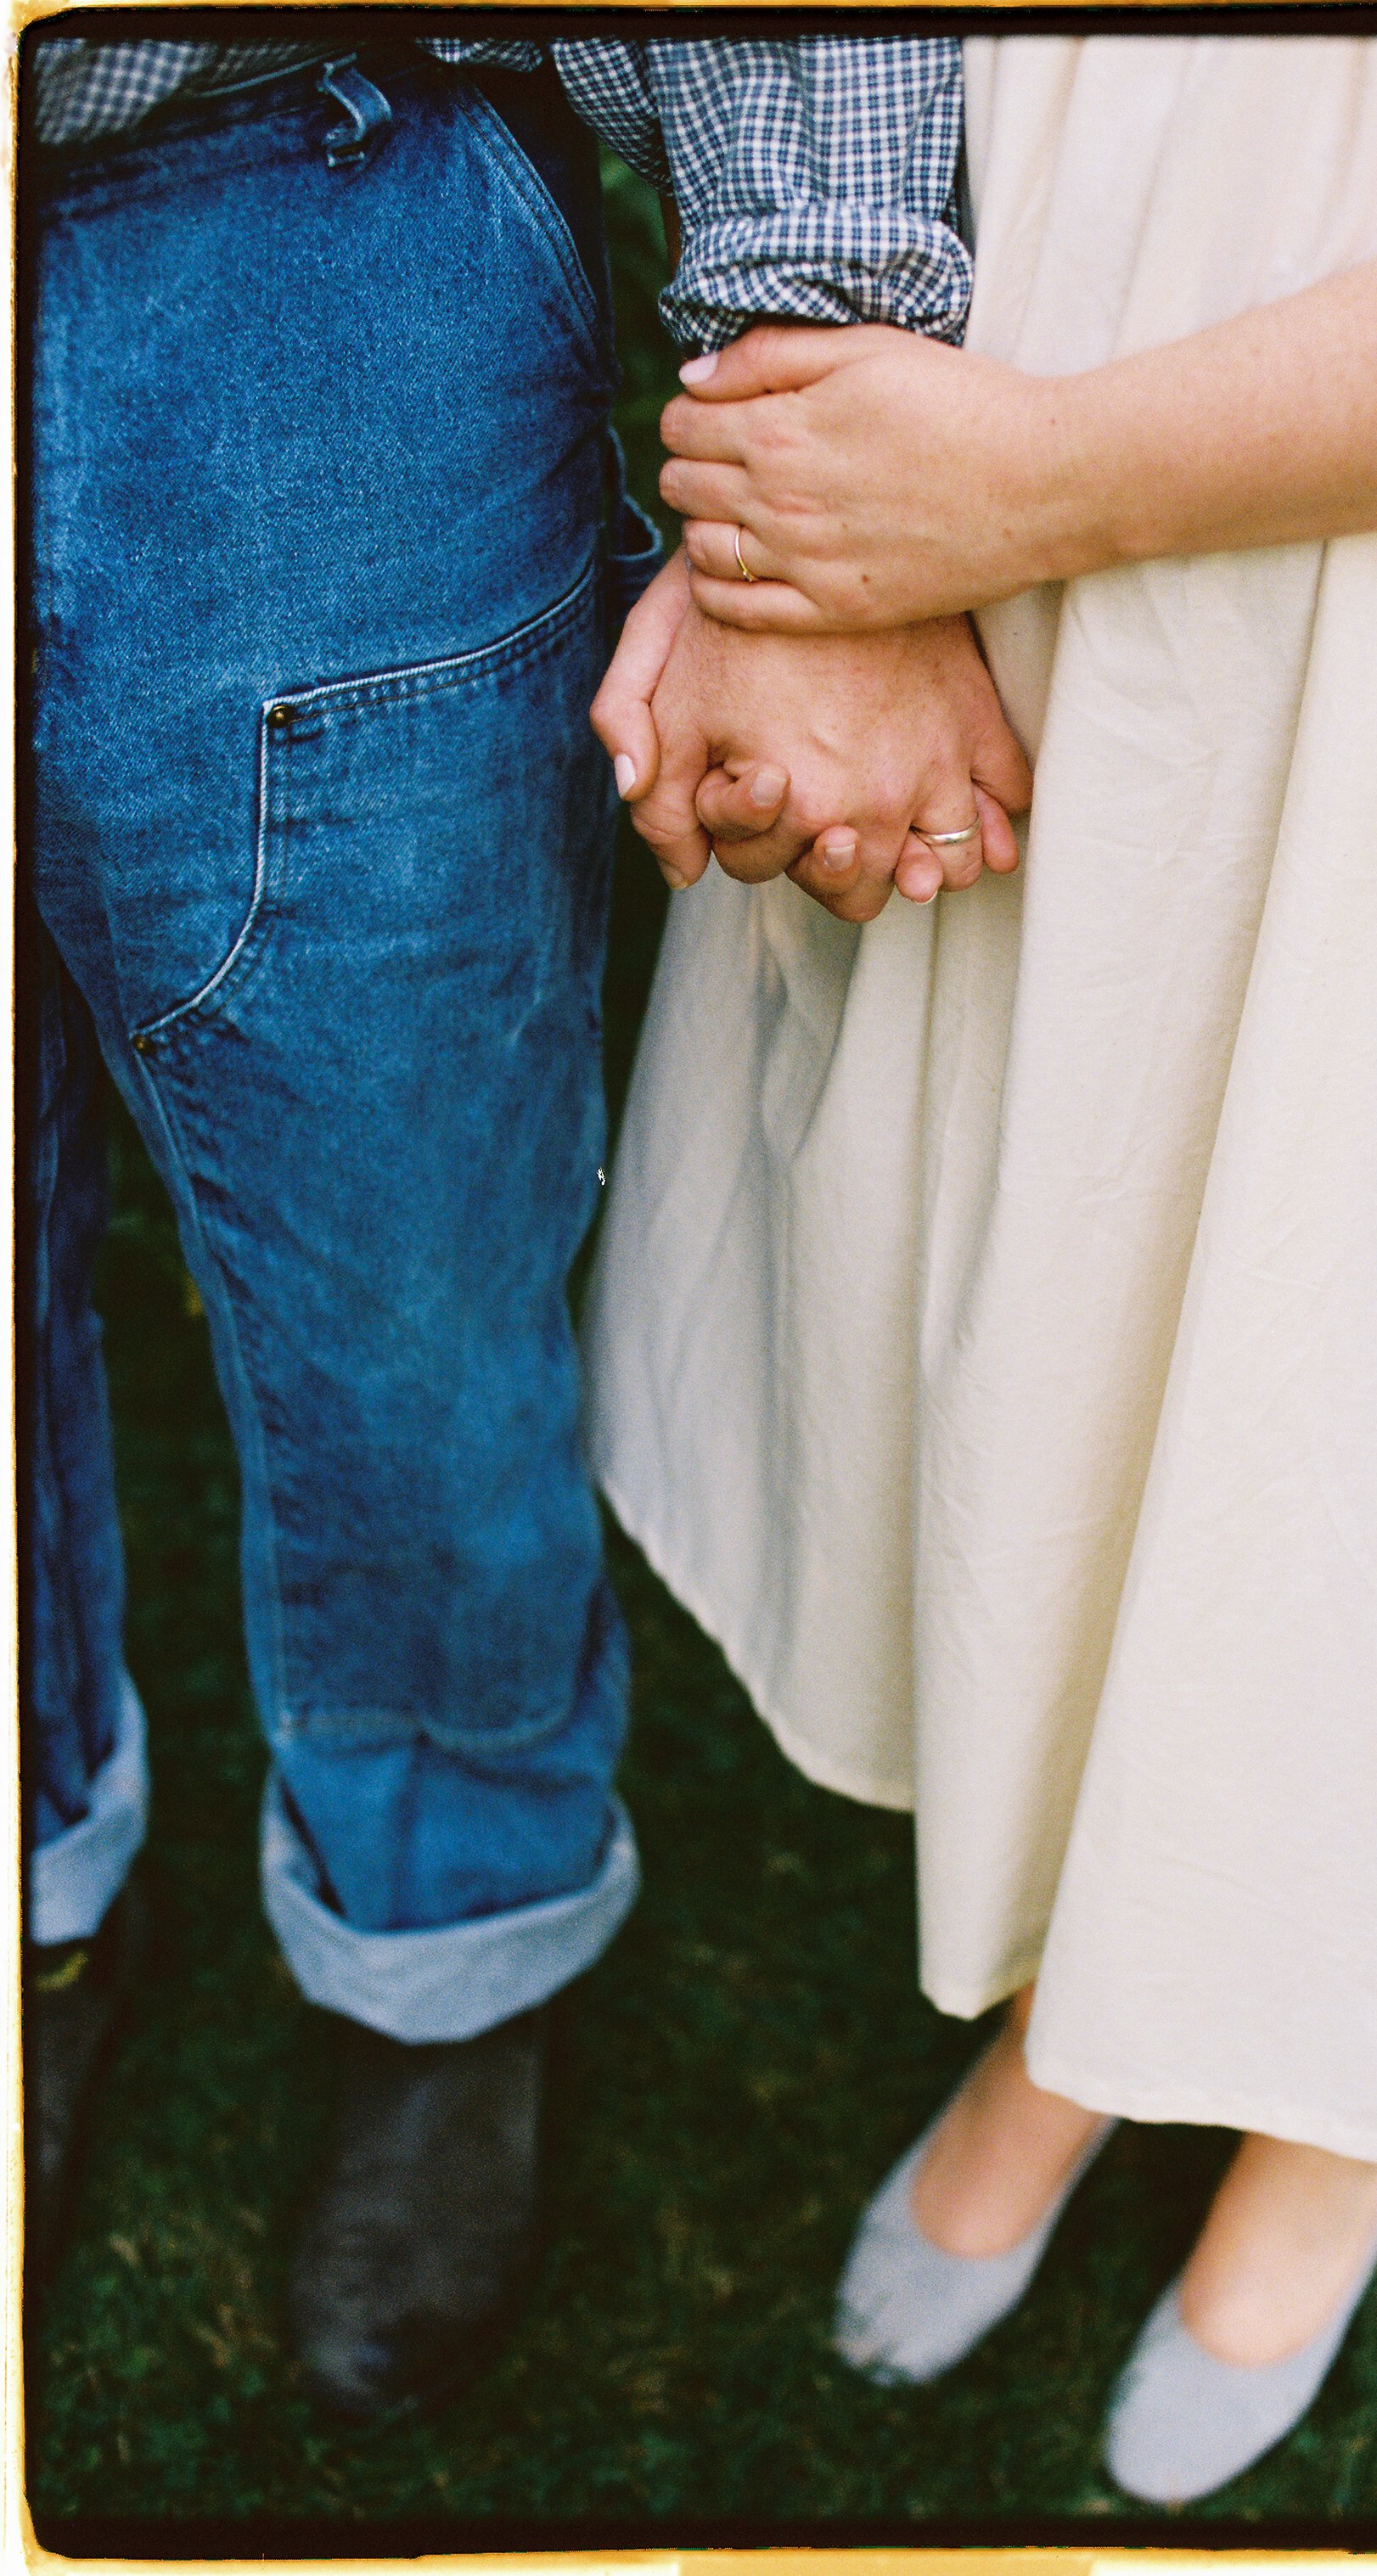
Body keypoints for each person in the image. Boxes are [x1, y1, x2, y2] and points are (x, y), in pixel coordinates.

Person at [586, 31, 1377, 2500]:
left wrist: (1037, 479)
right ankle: (1090, 1987)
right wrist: (821, 476)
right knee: (1104, 1245)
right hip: (1074, 299)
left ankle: (1345, 2080)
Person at [22, 25, 1030, 2417]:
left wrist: (802, 380)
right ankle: (36, 1876)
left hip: (279, 219)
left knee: (400, 1277)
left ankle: (451, 1940)